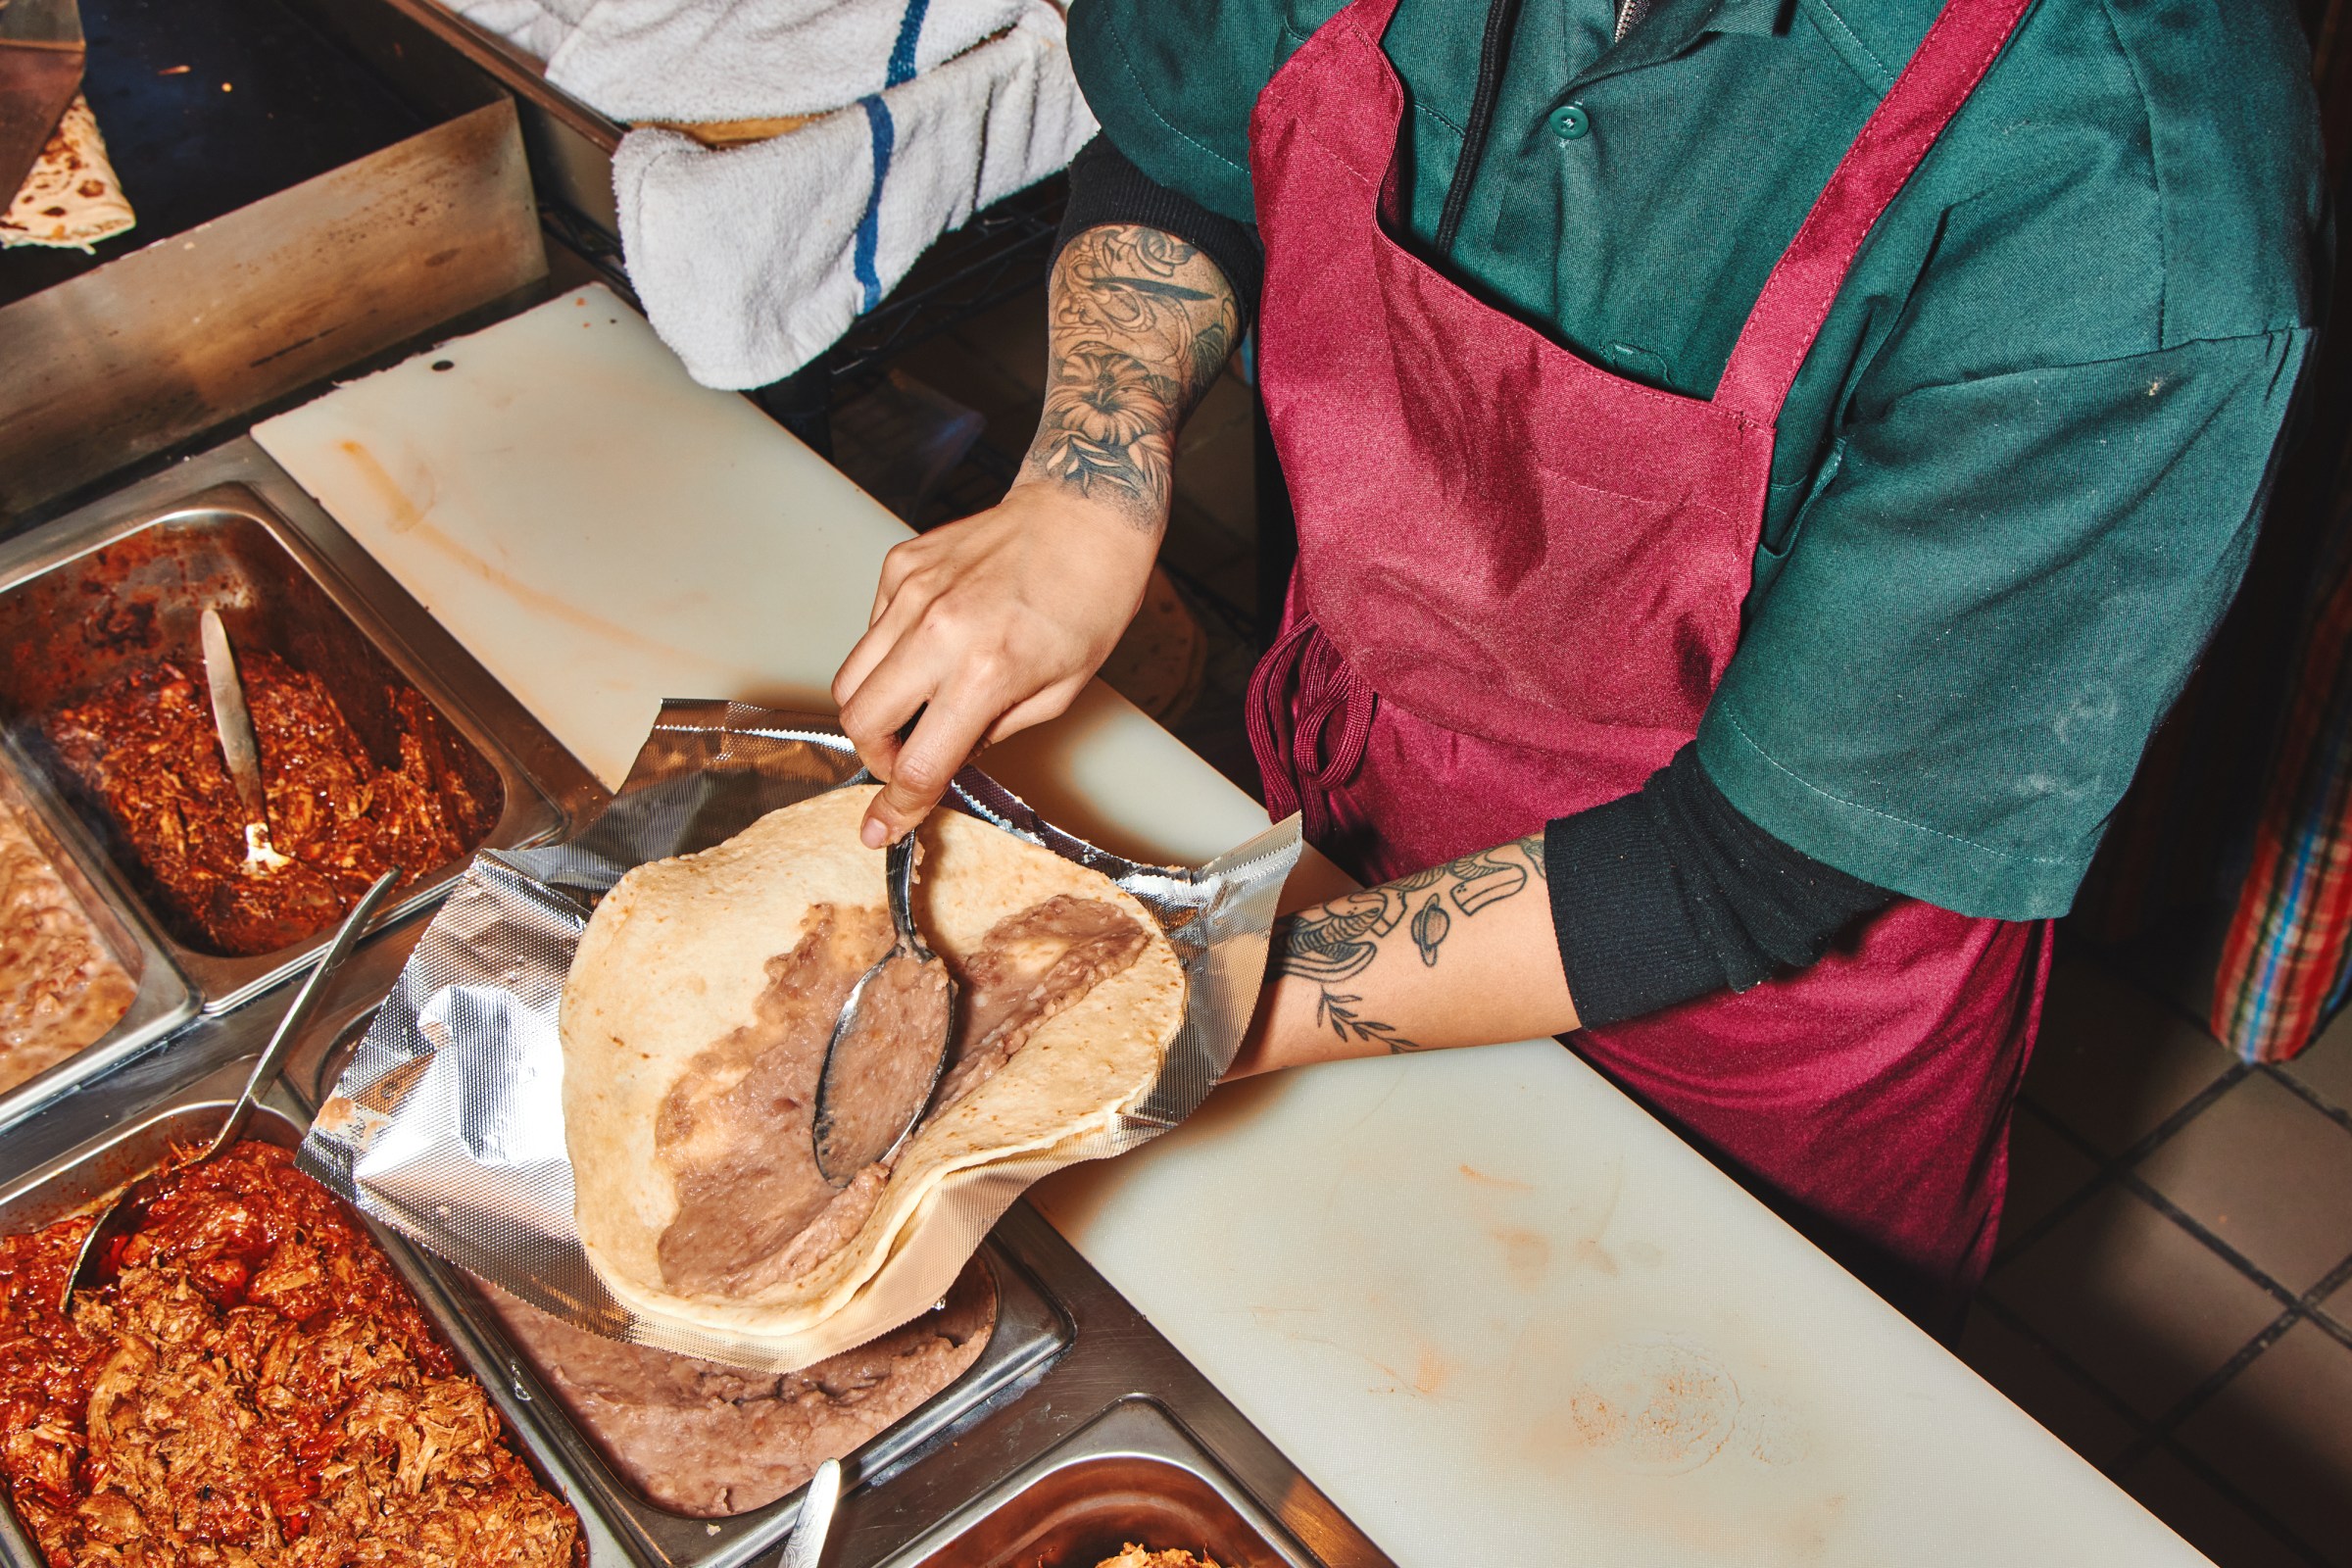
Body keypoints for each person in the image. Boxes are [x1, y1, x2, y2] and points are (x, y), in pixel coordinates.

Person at [830, 0, 2326, 1325]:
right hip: (1360, 785)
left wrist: (1171, 1012)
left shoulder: (2133, 190)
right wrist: (1088, 478)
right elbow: (1191, 147)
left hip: (1749, 1031)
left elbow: (1746, 875)